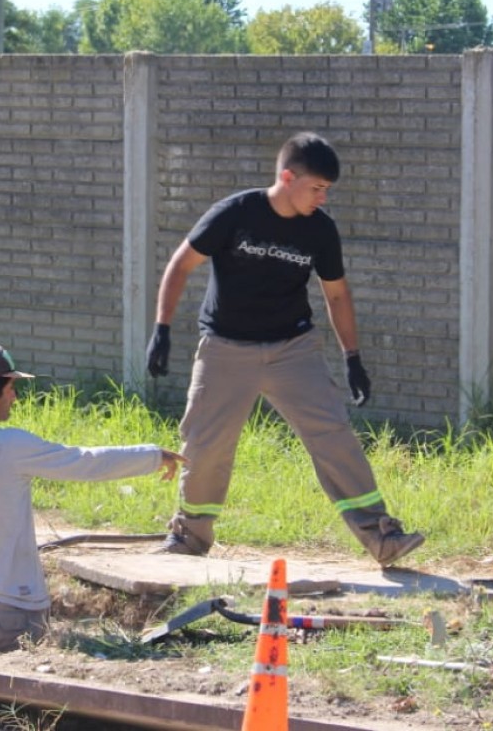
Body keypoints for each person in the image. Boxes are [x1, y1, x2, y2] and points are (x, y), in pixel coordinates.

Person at [145, 132, 424, 567]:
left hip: (293, 349)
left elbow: (337, 295)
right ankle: (189, 538)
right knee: (205, 446)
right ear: (287, 177)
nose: (322, 197)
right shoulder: (236, 213)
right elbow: (181, 264)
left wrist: (353, 358)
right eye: (316, 188)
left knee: (333, 435)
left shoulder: (320, 229)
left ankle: (381, 536)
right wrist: (162, 329)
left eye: (327, 190)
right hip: (225, 349)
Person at [0, 342, 185, 660]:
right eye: (10, 387)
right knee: (22, 707)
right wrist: (152, 456)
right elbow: (85, 462)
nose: (15, 396)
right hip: (14, 612)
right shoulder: (8, 445)